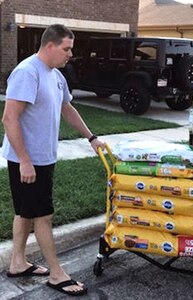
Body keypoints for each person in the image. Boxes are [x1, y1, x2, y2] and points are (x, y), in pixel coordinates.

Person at [1, 24, 105, 296]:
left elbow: (66, 107)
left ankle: (17, 263)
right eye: (66, 48)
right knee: (43, 216)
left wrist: (91, 137)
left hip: (42, 159)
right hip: (28, 161)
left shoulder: (56, 75)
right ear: (50, 45)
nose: (70, 54)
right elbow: (9, 118)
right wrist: (24, 160)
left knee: (25, 212)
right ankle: (58, 275)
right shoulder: (27, 72)